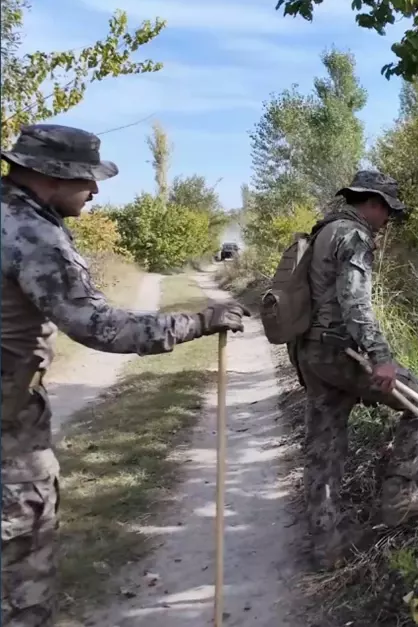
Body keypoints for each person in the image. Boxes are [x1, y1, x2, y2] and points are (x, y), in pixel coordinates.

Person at [1, 124, 250, 627]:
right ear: (52, 175)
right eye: (88, 179)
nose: (95, 190)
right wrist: (197, 322)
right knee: (19, 579)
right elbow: (98, 325)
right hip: (7, 436)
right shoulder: (31, 233)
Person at [294, 170, 418, 570]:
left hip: (312, 352)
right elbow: (355, 304)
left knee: (323, 446)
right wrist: (381, 358)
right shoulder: (354, 236)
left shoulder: (321, 232)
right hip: (344, 353)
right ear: (375, 204)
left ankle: (326, 544)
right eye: (388, 213)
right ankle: (399, 498)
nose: (386, 222)